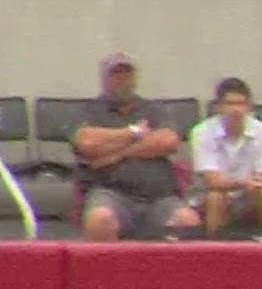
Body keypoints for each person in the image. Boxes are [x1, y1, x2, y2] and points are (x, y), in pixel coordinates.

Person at [72, 52, 197, 242]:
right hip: (110, 193)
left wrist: (116, 154)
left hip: (160, 197)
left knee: (187, 220)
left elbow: (168, 141)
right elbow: (87, 143)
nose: (122, 79)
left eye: (127, 73)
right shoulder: (91, 110)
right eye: (115, 74)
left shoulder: (153, 109)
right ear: (104, 79)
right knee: (100, 219)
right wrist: (134, 133)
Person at [188, 77, 262, 239]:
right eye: (230, 104)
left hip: (249, 194)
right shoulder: (201, 132)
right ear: (219, 107)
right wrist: (244, 182)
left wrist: (258, 184)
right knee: (216, 197)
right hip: (207, 195)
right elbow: (213, 181)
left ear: (249, 107)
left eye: (241, 104)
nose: (236, 109)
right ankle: (214, 249)